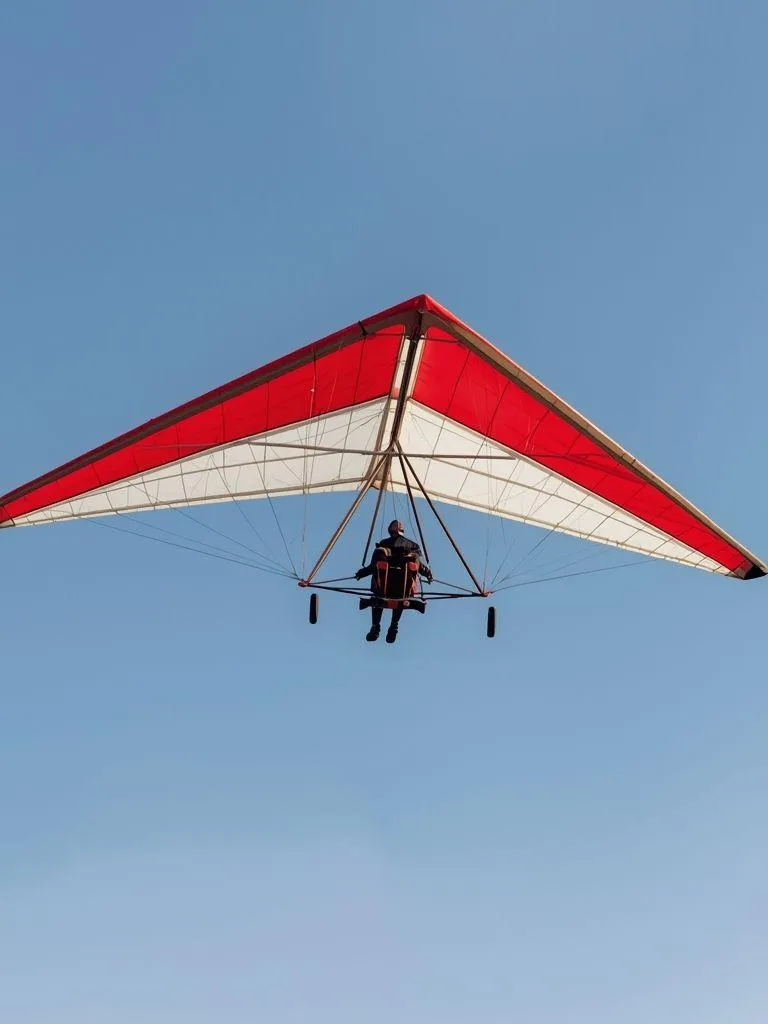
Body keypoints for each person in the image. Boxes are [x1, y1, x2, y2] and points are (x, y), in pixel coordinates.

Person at [355, 519, 432, 643]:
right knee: (387, 594)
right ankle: (380, 626)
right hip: (391, 585)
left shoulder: (400, 547)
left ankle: (387, 626)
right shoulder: (387, 547)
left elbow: (374, 566)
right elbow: (376, 564)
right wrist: (427, 573)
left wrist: (363, 572)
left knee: (390, 595)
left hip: (394, 586)